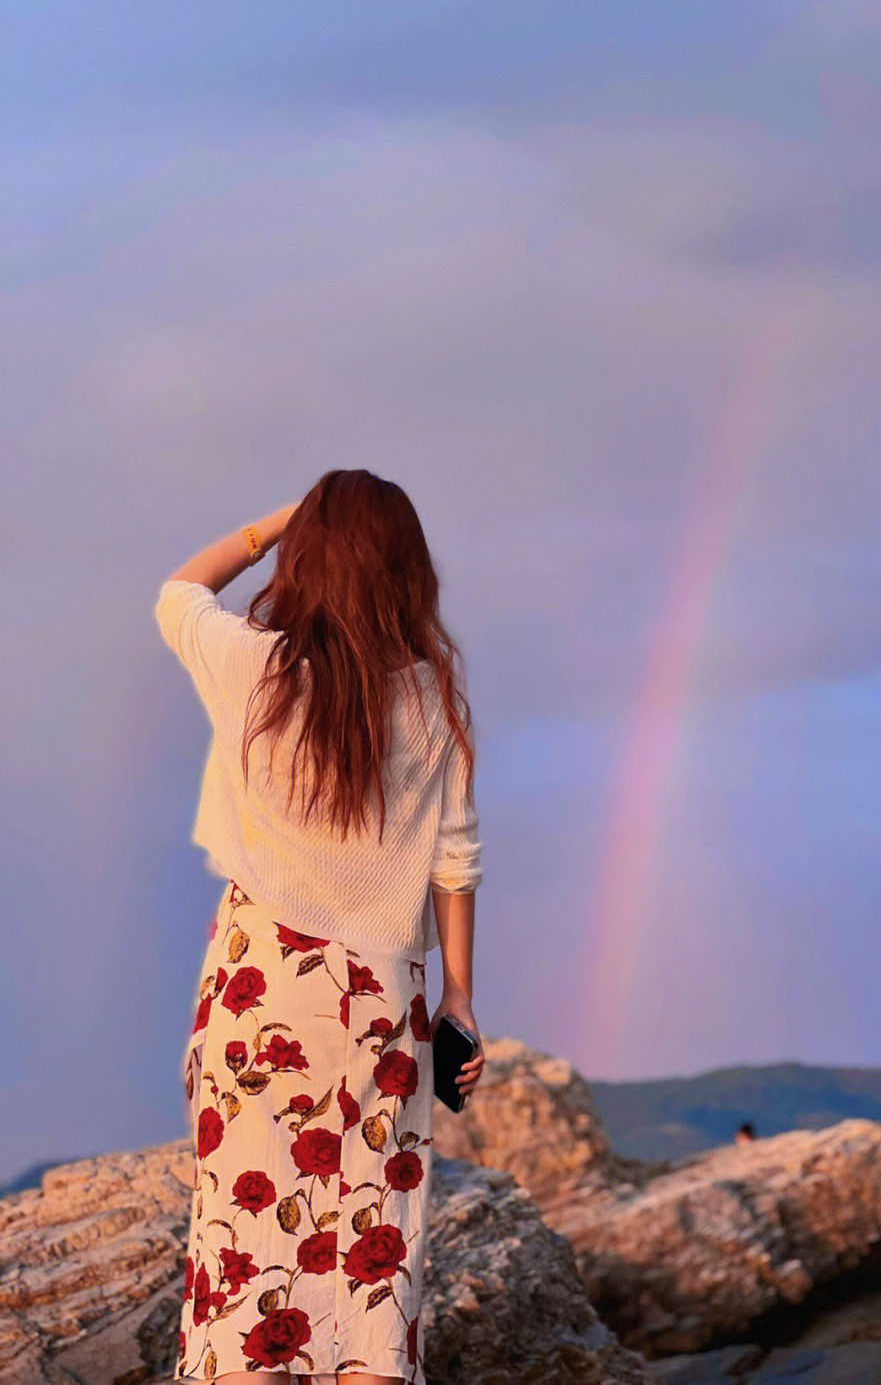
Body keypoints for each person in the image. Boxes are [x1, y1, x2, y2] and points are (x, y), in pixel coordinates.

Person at [156, 470, 485, 1385]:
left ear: (310, 555)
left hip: (259, 995)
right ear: (405, 573)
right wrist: (458, 994)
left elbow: (178, 592)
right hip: (378, 1006)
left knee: (244, 1249)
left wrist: (270, 523)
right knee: (372, 1254)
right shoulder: (430, 701)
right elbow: (455, 860)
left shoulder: (254, 668)